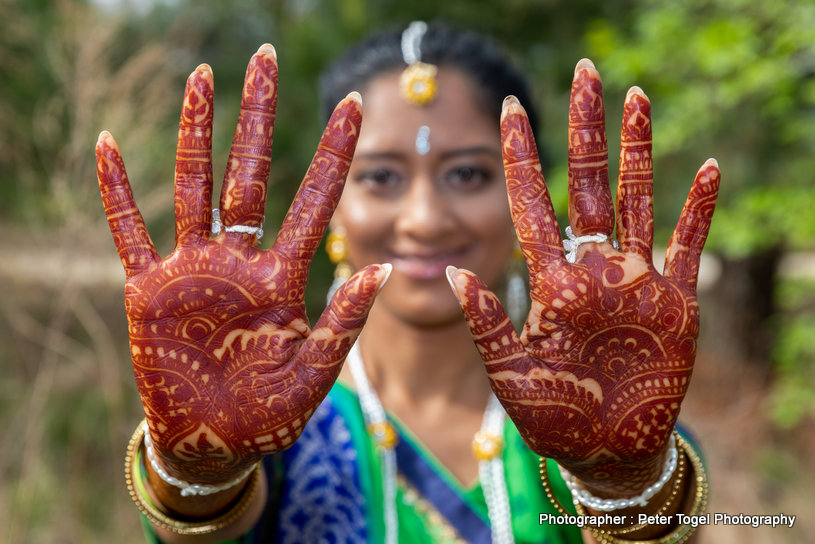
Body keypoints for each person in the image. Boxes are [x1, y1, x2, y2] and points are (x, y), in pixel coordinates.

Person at [96, 21, 719, 544]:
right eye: (382, 177)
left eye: (469, 174)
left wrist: (622, 484)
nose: (424, 219)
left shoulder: (601, 410)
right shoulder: (273, 415)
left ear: (526, 195)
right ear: (329, 201)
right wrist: (201, 471)